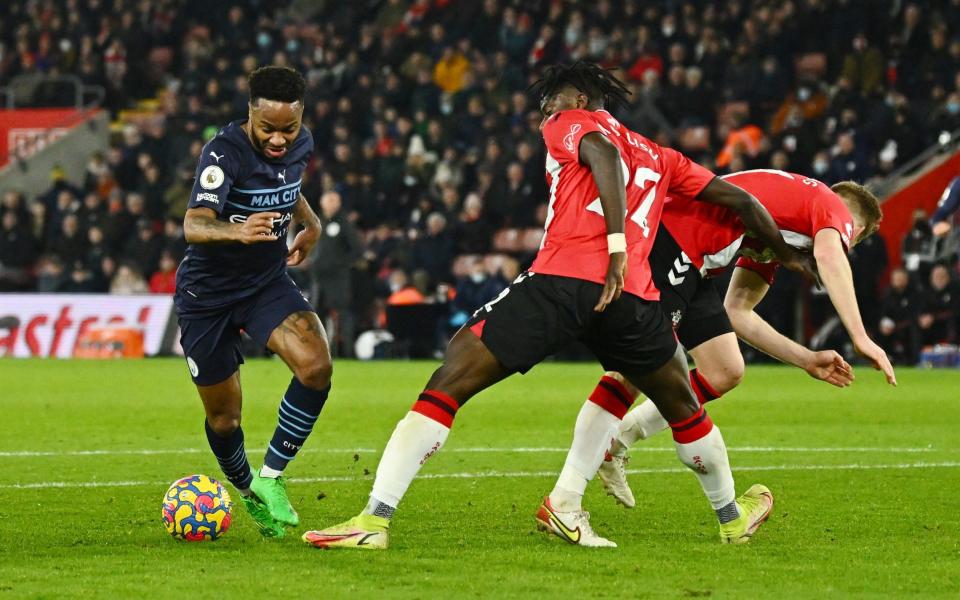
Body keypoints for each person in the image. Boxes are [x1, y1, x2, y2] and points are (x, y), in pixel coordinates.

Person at [302, 62, 814, 550]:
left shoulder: (573, 123)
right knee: (684, 406)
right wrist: (789, 255)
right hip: (633, 300)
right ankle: (730, 517)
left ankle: (374, 519)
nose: (546, 111)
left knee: (451, 379)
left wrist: (614, 244)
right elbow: (745, 203)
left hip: (563, 282)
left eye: (553, 100)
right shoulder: (662, 156)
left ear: (583, 98)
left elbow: (603, 154)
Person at [588, 170, 896, 508]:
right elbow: (829, 255)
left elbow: (737, 312)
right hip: (675, 237)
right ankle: (568, 494)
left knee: (725, 369)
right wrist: (860, 336)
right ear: (858, 230)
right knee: (640, 359)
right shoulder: (830, 205)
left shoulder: (777, 230)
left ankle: (617, 442)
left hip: (698, 262)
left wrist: (806, 359)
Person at [175, 66, 330, 539]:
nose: (280, 140)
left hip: (265, 282)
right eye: (269, 129)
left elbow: (289, 182)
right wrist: (237, 230)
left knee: (316, 365)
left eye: (289, 128)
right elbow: (194, 223)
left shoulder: (301, 142)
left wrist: (311, 222)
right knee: (225, 419)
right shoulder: (223, 153)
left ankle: (271, 477)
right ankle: (246, 491)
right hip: (208, 294)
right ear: (250, 115)